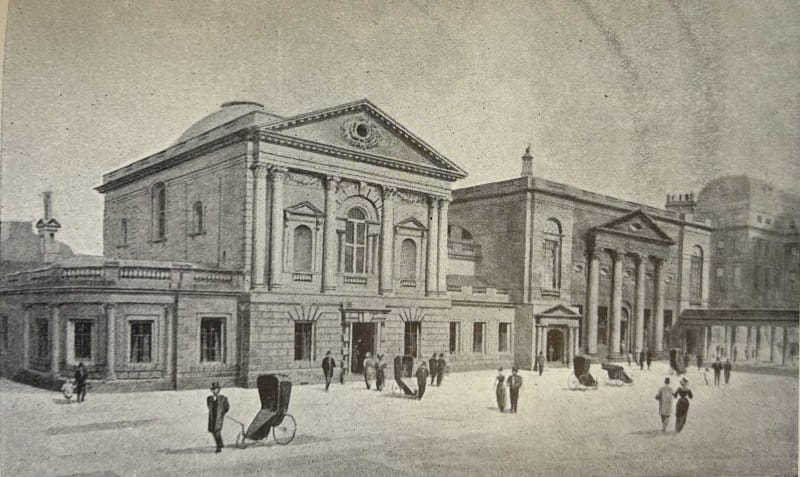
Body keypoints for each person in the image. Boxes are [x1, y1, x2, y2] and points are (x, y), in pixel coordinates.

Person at [207, 382, 230, 453]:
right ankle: (221, 444)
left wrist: (222, 413)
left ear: (218, 390)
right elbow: (209, 406)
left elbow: (227, 407)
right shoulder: (209, 398)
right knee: (213, 431)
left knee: (216, 431)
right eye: (213, 389)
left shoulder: (223, 398)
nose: (215, 391)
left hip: (219, 418)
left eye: (216, 389)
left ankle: (219, 447)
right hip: (212, 417)